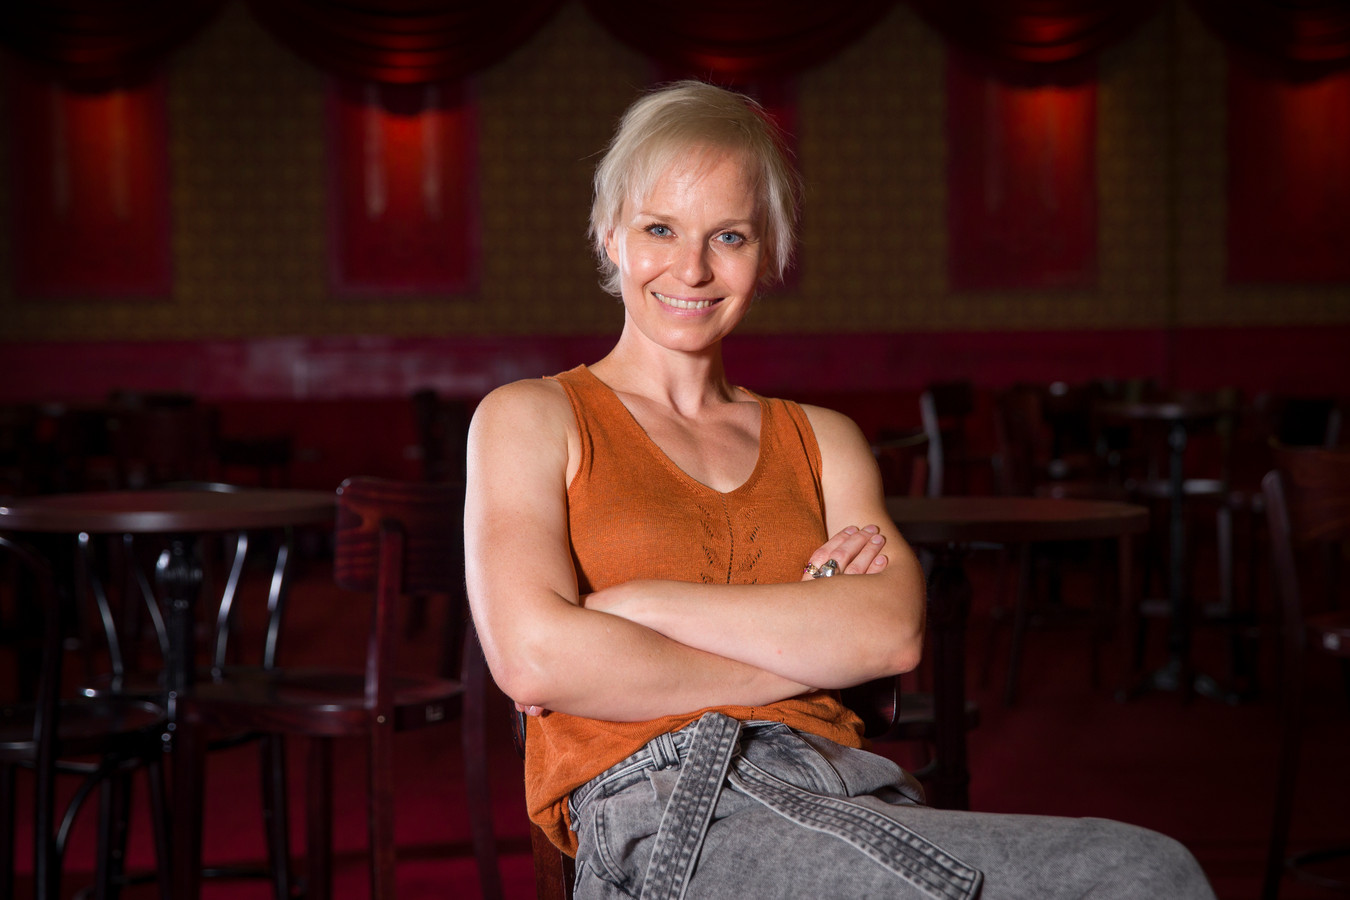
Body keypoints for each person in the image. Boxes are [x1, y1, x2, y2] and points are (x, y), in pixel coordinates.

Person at [464, 80, 1215, 899]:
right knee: (1140, 879)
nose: (693, 268)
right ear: (610, 235)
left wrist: (637, 606)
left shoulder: (825, 439)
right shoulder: (531, 416)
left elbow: (889, 636)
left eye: (729, 236)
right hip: (664, 805)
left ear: (768, 254)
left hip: (841, 780)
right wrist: (808, 650)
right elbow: (534, 658)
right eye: (659, 229)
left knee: (1149, 868)